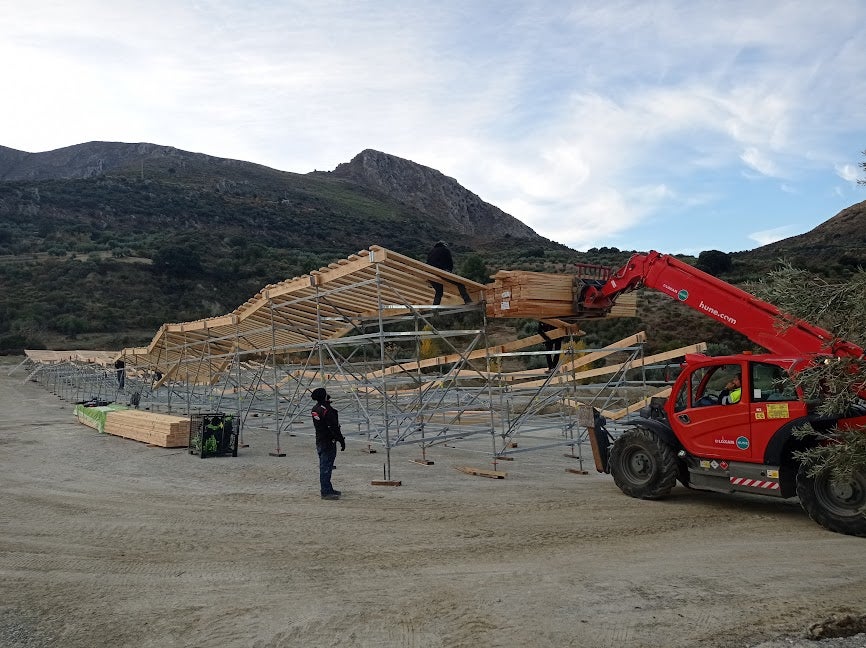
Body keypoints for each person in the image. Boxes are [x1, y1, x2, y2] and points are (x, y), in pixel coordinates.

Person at [310, 387, 345, 500]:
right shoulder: (326, 410)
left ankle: (328, 489)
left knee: (326, 466)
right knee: (326, 467)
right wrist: (341, 440)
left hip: (320, 440)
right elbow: (333, 427)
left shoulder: (315, 408)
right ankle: (325, 491)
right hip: (328, 441)